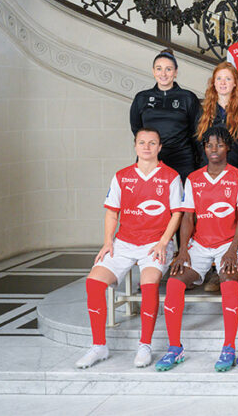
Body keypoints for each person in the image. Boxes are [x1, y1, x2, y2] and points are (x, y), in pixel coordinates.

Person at [75, 128, 183, 369]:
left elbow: (176, 214)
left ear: (159, 147)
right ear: (135, 146)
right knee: (93, 283)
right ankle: (98, 346)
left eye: (152, 143)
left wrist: (164, 242)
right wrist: (107, 241)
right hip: (124, 242)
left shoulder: (171, 176)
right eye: (142, 142)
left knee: (149, 284)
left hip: (155, 243)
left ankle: (145, 345)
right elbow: (112, 212)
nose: (146, 147)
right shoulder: (122, 176)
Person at [157, 126, 238, 372]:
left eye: (219, 145)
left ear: (228, 147)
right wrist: (182, 250)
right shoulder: (194, 178)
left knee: (229, 281)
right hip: (199, 244)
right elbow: (187, 219)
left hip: (229, 244)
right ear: (204, 148)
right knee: (174, 283)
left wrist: (233, 250)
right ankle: (174, 348)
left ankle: (229, 346)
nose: (214, 150)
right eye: (209, 145)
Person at [130, 49, 201, 180]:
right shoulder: (141, 98)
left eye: (168, 69)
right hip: (150, 161)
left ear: (175, 72)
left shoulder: (188, 98)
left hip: (182, 161)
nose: (163, 73)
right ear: (153, 71)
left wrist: (202, 164)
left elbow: (197, 133)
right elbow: (137, 130)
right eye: (159, 68)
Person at [196, 63, 238, 178]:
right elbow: (197, 143)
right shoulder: (203, 111)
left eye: (228, 79)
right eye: (219, 78)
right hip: (208, 174)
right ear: (214, 82)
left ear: (235, 83)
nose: (223, 82)